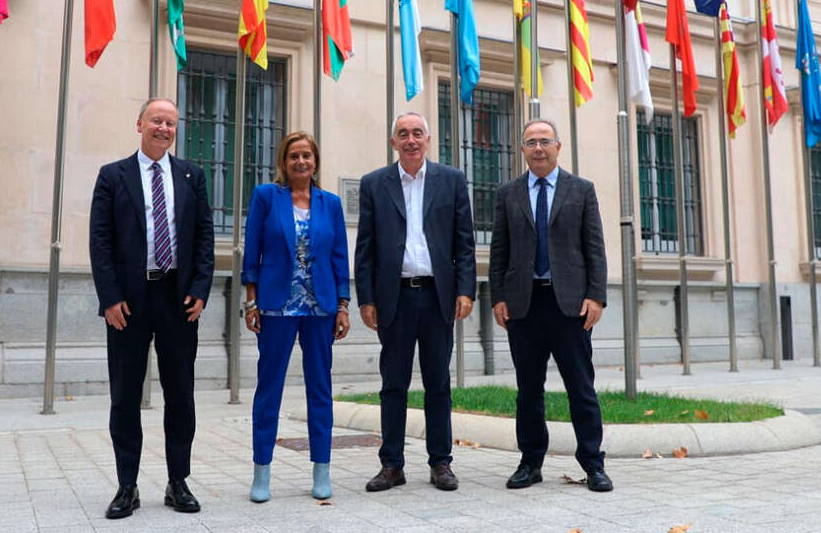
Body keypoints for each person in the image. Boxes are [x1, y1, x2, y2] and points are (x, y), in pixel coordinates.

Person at [89, 98, 215, 518]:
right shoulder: (113, 176)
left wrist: (200, 289)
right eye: (157, 121)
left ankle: (178, 482)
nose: (164, 128)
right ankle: (127, 486)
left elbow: (203, 237)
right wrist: (108, 298)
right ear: (140, 123)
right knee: (125, 394)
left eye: (171, 123)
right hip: (128, 301)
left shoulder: (192, 176)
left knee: (181, 393)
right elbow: (100, 241)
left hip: (178, 301)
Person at [488, 118, 613, 492]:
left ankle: (593, 463)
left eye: (544, 141)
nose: (538, 148)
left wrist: (596, 296)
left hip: (571, 306)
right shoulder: (507, 193)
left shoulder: (581, 190)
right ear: (522, 150)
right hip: (524, 306)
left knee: (581, 387)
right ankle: (530, 462)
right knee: (528, 390)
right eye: (530, 142)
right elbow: (499, 251)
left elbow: (594, 248)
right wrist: (498, 297)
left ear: (558, 147)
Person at [354, 112, 476, 492]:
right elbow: (366, 247)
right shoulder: (375, 184)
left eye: (417, 133)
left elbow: (464, 243)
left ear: (428, 139)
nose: (410, 140)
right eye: (403, 134)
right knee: (393, 384)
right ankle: (392, 464)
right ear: (394, 142)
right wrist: (366, 299)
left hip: (438, 296)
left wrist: (465, 290)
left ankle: (441, 463)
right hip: (395, 298)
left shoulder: (451, 181)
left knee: (438, 383)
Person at [240, 131, 351, 503]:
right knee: (268, 390)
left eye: (306, 156)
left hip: (320, 308)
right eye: (293, 157)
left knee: (320, 390)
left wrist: (343, 305)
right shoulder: (266, 197)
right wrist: (251, 300)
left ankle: (321, 469)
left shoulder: (330, 203)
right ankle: (262, 473)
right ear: (283, 163)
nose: (300, 162)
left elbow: (339, 256)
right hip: (277, 306)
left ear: (315, 161)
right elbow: (252, 250)